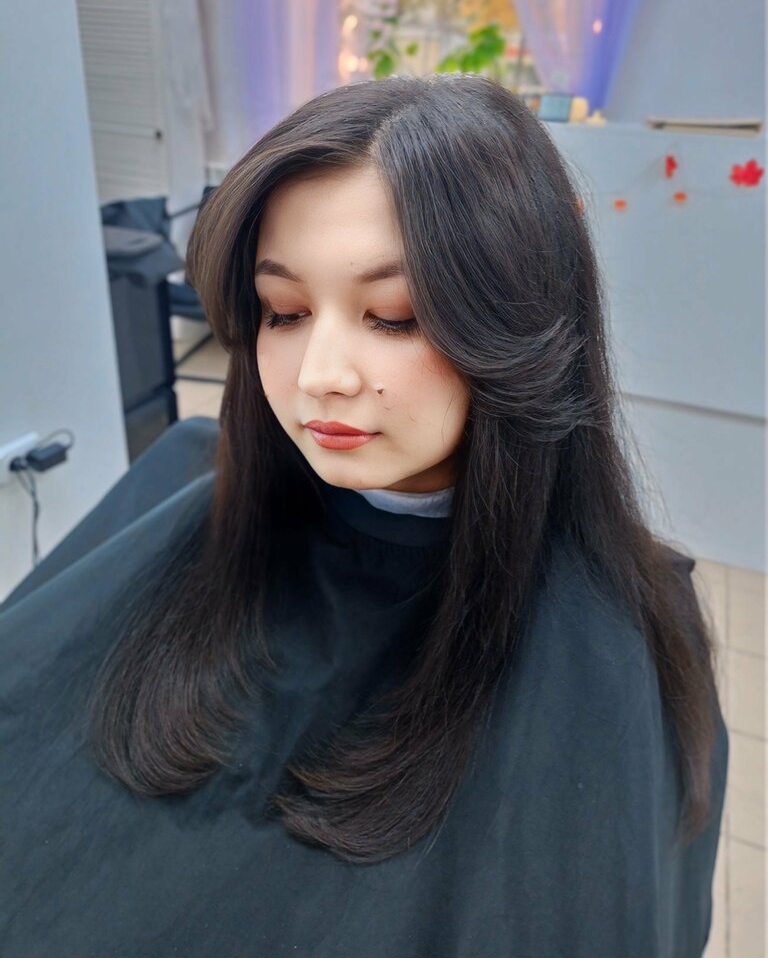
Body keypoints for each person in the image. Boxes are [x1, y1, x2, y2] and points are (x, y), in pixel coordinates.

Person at [0, 74, 728, 957]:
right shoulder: (182, 483)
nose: (319, 376)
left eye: (393, 317)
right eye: (285, 312)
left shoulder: (605, 645)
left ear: (519, 324)